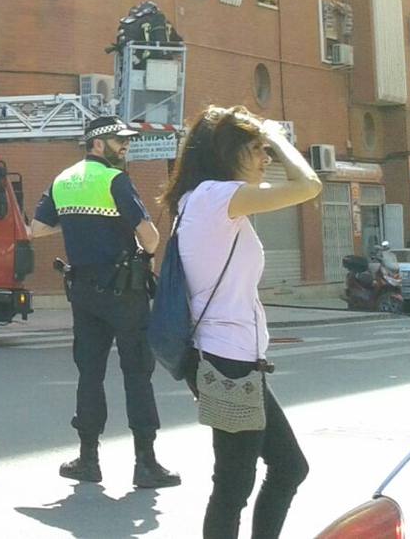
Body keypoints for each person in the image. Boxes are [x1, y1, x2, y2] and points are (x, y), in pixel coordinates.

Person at [162, 106, 319, 539]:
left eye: (267, 150)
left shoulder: (206, 200)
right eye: (258, 150)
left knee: (287, 467)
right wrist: (279, 135)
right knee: (234, 485)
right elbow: (309, 186)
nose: (266, 158)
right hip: (225, 360)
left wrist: (266, 139)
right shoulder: (216, 197)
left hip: (233, 359)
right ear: (228, 152)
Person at [33, 115, 179, 489]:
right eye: (118, 140)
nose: (125, 145)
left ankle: (88, 460)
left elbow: (37, 229)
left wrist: (79, 224)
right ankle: (145, 464)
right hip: (125, 293)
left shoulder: (62, 180)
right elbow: (149, 239)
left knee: (89, 374)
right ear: (98, 144)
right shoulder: (115, 180)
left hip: (83, 292)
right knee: (137, 374)